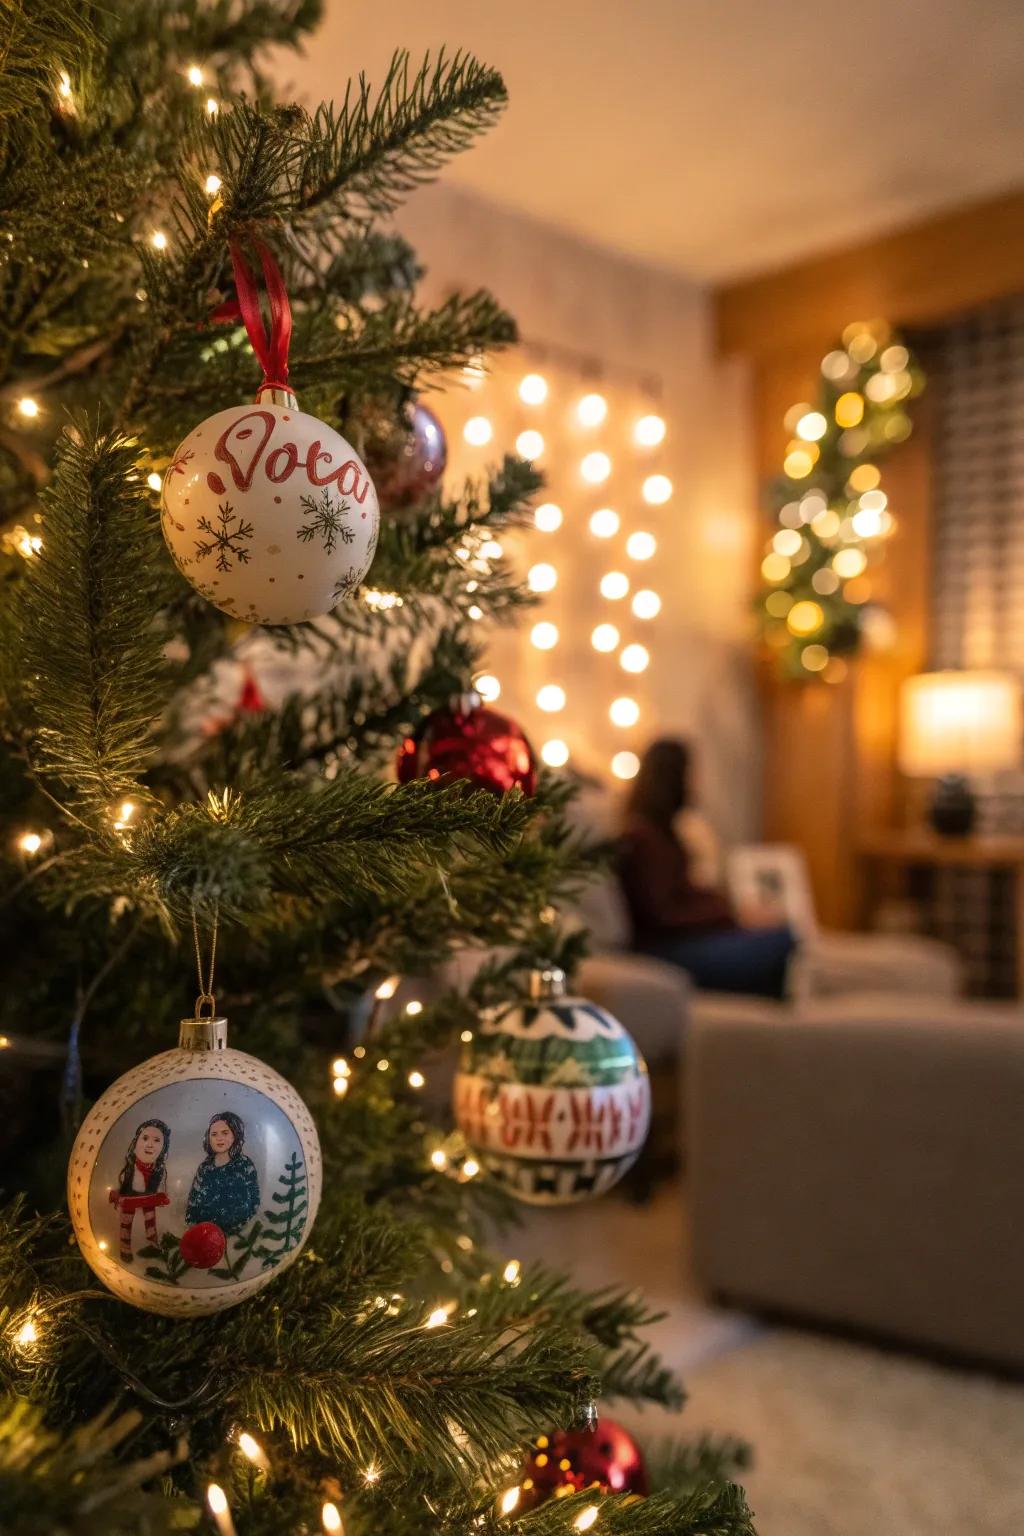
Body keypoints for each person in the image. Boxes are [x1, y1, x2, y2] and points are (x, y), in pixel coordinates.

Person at [617, 739, 795, 999]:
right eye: (691, 775)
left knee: (777, 934)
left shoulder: (665, 834)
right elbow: (664, 914)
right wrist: (732, 917)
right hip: (663, 950)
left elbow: (686, 894)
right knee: (780, 940)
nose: (696, 784)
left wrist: (734, 909)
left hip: (683, 941)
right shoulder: (640, 838)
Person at [185, 1111, 260, 1234]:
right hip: (205, 1234)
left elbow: (254, 1201)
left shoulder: (244, 1165)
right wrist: (193, 1228)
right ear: (208, 1138)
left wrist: (239, 1229)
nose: (219, 1138)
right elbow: (193, 1203)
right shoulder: (205, 1168)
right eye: (214, 1134)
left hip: (237, 1235)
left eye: (225, 1133)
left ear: (235, 1135)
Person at [109, 1118, 171, 1261]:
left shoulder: (158, 1170)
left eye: (157, 1140)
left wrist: (160, 1195)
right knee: (126, 1221)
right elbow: (124, 1182)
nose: (150, 1144)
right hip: (130, 1197)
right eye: (145, 1138)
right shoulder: (130, 1167)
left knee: (150, 1218)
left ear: (163, 1147)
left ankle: (152, 1242)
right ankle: (125, 1248)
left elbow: (160, 1185)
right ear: (136, 1143)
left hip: (148, 1197)